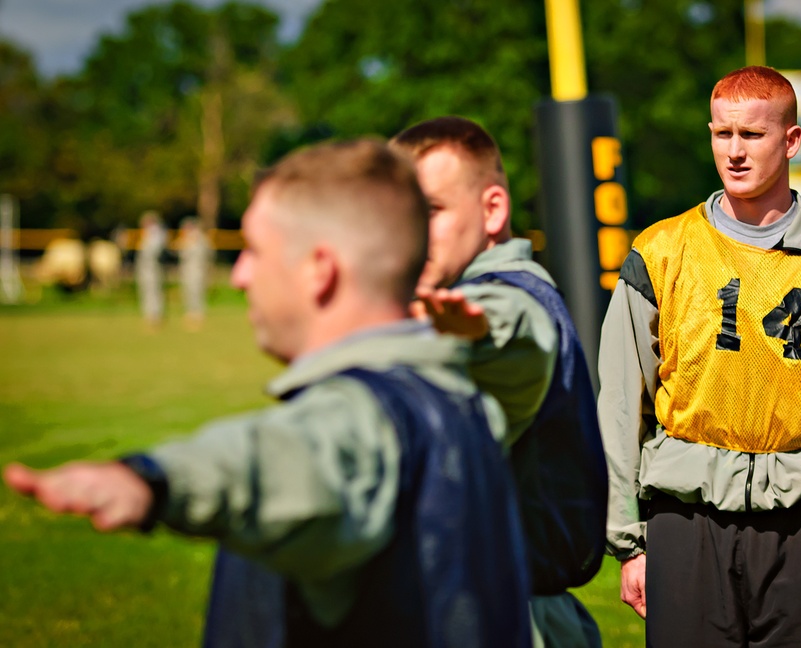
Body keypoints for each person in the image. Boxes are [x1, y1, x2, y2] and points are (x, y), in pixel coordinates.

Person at [3, 139, 532, 648]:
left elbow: (286, 458)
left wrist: (152, 479)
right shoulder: (463, 398)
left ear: (320, 271)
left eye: (255, 251)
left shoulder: (365, 415)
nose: (239, 276)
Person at [597, 66, 801, 647]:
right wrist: (628, 539)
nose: (735, 152)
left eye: (752, 136)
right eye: (723, 134)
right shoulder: (661, 252)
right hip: (685, 519)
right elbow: (622, 406)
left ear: (790, 141)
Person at [390, 117, 608, 648]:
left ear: (493, 209)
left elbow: (501, 324)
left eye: (432, 211)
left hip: (511, 620)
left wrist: (457, 327)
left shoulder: (513, 296)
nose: (410, 233)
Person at [178, 216, 214, 329]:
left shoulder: (200, 238)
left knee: (197, 291)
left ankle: (198, 314)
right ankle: (190, 313)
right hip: (187, 270)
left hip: (198, 269)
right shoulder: (186, 239)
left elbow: (207, 253)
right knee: (188, 291)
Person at [136, 210, 166, 328]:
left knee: (154, 291)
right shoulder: (148, 233)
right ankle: (149, 315)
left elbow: (153, 251)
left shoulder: (156, 233)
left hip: (152, 268)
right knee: (147, 291)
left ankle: (155, 316)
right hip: (145, 269)